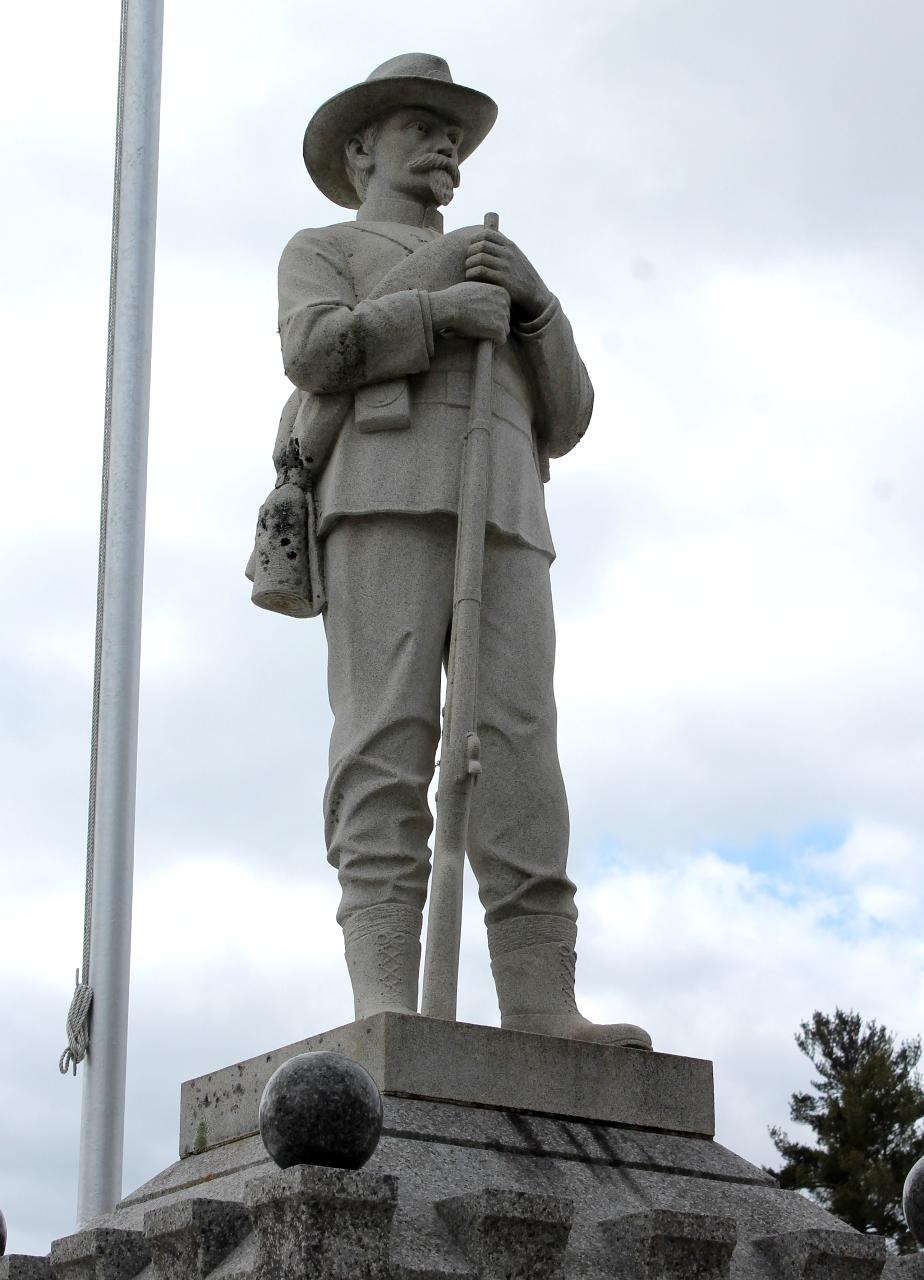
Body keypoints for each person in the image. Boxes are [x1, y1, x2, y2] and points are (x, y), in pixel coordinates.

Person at [256, 52, 651, 1049]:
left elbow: (569, 414)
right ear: (361, 150)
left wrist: (536, 307)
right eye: (418, 126)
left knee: (520, 747)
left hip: (507, 504)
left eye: (452, 133)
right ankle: (386, 996)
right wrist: (436, 312)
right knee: (386, 738)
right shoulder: (326, 248)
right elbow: (311, 347)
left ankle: (539, 1001)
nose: (442, 145)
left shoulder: (503, 265)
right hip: (382, 491)